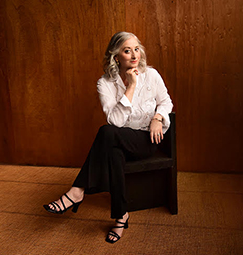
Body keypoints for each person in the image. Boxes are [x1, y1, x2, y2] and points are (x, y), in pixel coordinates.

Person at [43, 31, 173, 243]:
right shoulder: (104, 83)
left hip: (146, 139)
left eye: (136, 49)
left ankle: (77, 191)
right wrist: (130, 86)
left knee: (106, 133)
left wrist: (158, 117)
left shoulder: (151, 75)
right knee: (113, 152)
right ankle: (121, 215)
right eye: (127, 50)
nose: (134, 55)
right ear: (116, 56)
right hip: (118, 140)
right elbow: (116, 122)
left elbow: (166, 101)